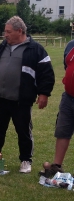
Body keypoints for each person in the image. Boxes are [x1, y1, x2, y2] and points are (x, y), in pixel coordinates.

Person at [0, 16, 55, 173]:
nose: (5, 35)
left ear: (19, 31)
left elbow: (47, 73)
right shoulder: (2, 47)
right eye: (5, 32)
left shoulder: (36, 49)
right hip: (0, 98)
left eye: (8, 32)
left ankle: (26, 160)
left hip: (21, 100)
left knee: (23, 130)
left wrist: (44, 93)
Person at [42, 40, 74, 176]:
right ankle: (56, 166)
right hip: (69, 96)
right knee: (62, 130)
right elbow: (67, 67)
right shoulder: (71, 46)